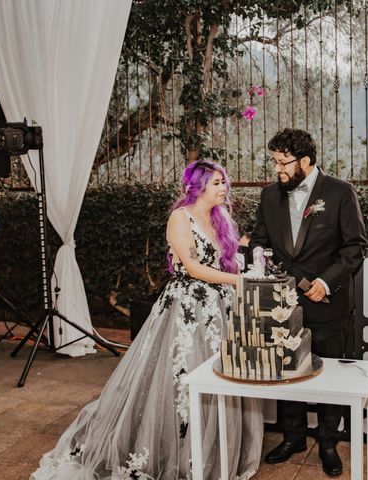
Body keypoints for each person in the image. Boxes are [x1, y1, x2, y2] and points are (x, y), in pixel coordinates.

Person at [31, 160, 263, 480]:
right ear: (198, 187)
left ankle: (215, 449)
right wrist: (238, 282)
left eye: (224, 182)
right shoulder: (179, 219)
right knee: (180, 377)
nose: (224, 188)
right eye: (217, 183)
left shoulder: (220, 218)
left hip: (220, 309)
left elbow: (228, 260)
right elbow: (193, 268)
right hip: (186, 310)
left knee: (220, 376)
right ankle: (174, 452)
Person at [250, 128, 368, 477]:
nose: (278, 170)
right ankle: (293, 437)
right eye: (274, 162)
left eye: (283, 163)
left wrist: (325, 282)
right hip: (283, 302)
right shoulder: (270, 195)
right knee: (288, 371)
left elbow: (355, 246)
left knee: (330, 371)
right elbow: (260, 240)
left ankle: (329, 441)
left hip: (328, 303)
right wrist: (258, 258)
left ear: (305, 160)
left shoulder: (340, 192)